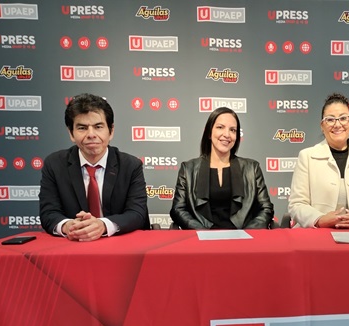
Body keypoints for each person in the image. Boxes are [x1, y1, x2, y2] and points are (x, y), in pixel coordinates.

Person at [39, 93, 150, 241]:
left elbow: (137, 213)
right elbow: (48, 213)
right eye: (82, 128)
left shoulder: (130, 165)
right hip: (74, 246)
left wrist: (102, 226)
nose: (91, 134)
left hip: (120, 245)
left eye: (98, 127)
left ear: (111, 131)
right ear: (71, 133)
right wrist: (69, 226)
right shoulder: (54, 164)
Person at [288, 93, 349, 228]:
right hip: (316, 237)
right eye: (330, 120)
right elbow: (297, 204)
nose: (337, 124)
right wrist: (320, 219)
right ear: (322, 125)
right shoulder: (307, 157)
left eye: (343, 118)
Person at [170, 107, 274, 229]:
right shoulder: (188, 169)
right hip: (202, 241)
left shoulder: (252, 168)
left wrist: (247, 234)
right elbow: (178, 209)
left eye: (233, 130)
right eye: (220, 127)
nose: (227, 134)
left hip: (243, 241)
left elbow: (266, 208)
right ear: (209, 132)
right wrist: (201, 232)